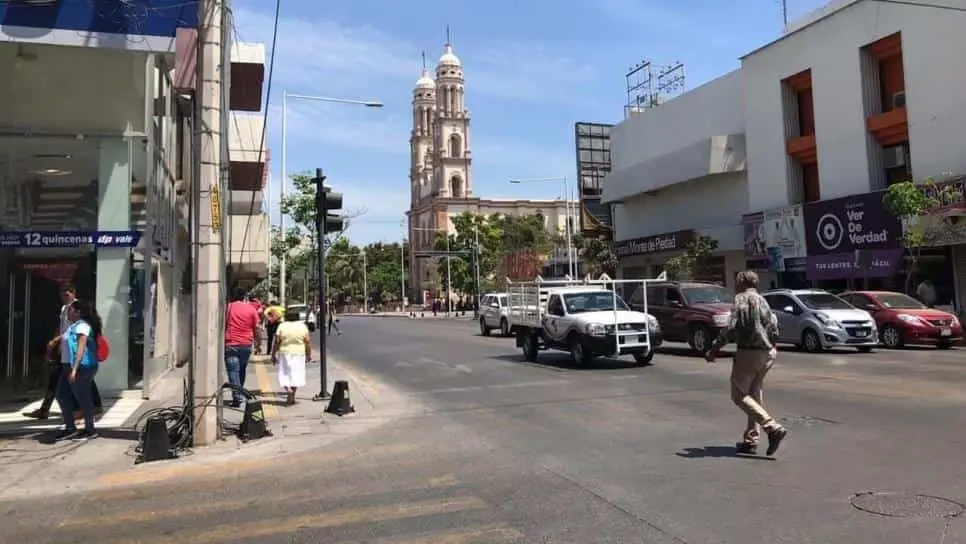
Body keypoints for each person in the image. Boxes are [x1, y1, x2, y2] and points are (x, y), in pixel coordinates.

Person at [705, 270, 788, 457]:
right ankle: (751, 440)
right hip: (767, 353)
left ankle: (772, 427)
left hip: (749, 352)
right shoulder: (763, 300)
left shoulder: (741, 299)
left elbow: (732, 327)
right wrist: (772, 346)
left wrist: (714, 349)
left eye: (736, 280)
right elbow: (774, 327)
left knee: (738, 395)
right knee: (754, 394)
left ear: (741, 282)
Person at [26, 284, 102, 420]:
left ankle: (81, 411)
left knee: (65, 380)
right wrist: (56, 341)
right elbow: (62, 328)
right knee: (68, 380)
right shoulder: (64, 309)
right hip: (65, 348)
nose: (64, 296)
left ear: (73, 293)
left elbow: (75, 330)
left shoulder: (77, 308)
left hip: (72, 350)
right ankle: (91, 406)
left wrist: (57, 341)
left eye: (67, 293)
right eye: (62, 293)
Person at [53, 299, 102, 441]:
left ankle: (90, 429)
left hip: (81, 367)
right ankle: (70, 427)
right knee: (62, 394)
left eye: (71, 311)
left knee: (83, 396)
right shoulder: (73, 326)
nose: (68, 313)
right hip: (67, 365)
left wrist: (74, 369)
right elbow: (66, 340)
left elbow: (80, 349)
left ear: (78, 312)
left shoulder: (82, 327)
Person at [225, 287, 261, 407]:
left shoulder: (228, 307)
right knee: (241, 369)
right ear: (244, 297)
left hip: (231, 344)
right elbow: (257, 328)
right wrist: (258, 343)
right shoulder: (251, 310)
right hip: (246, 344)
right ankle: (239, 392)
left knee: (233, 371)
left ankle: (237, 396)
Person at [272, 309, 311, 405]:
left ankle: (288, 390)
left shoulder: (282, 326)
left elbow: (277, 341)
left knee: (285, 373)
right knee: (296, 374)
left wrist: (273, 354)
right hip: (299, 353)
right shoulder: (302, 326)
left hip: (285, 353)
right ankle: (292, 394)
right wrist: (308, 354)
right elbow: (307, 341)